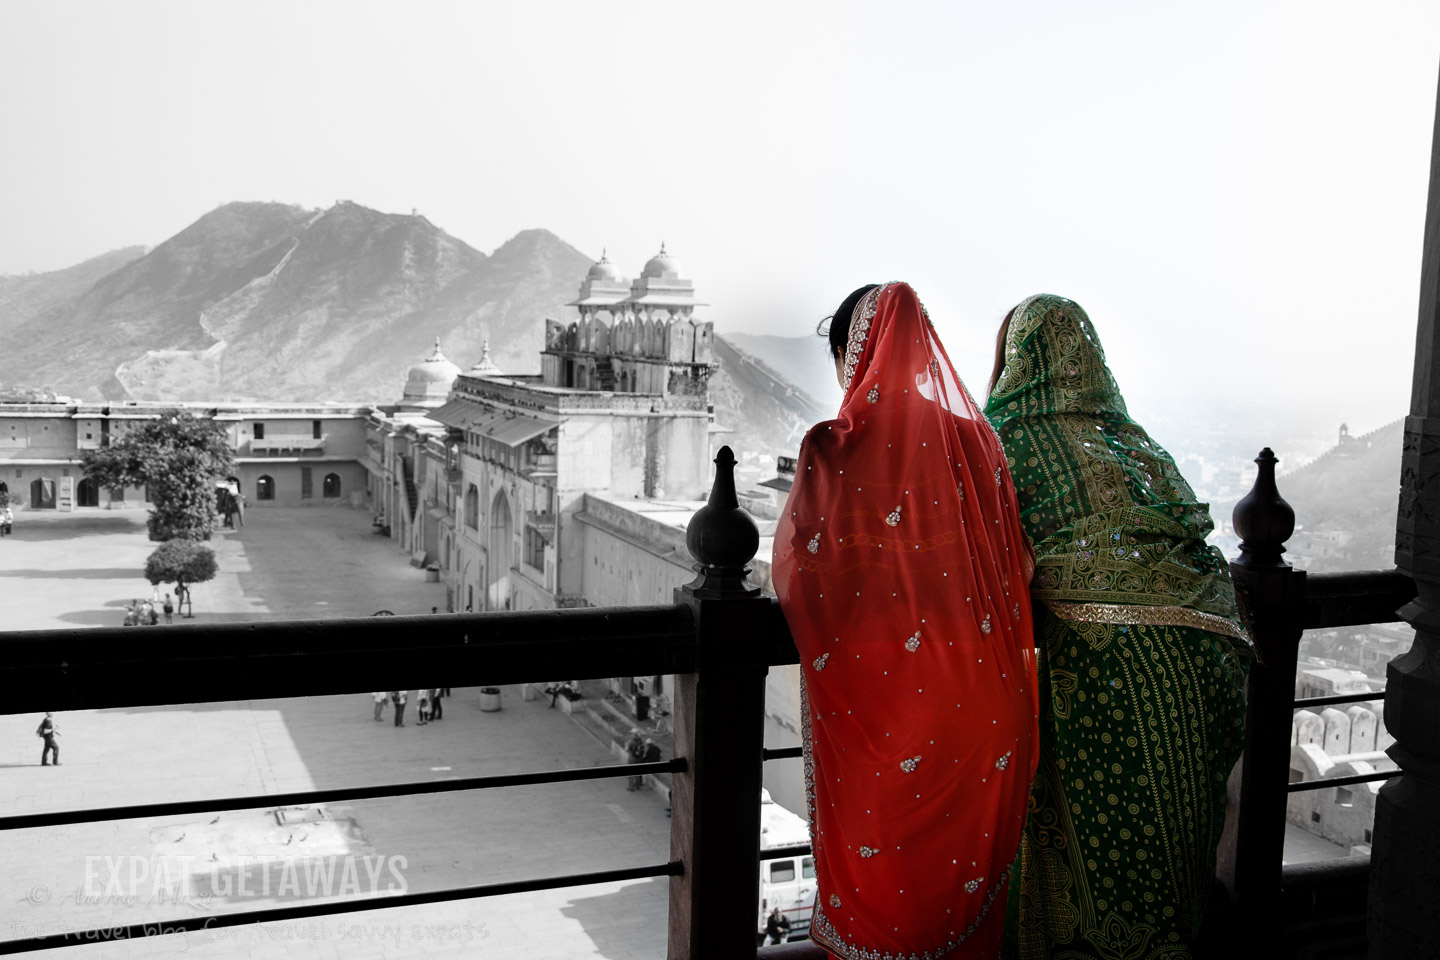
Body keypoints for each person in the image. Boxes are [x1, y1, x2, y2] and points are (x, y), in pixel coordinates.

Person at [772, 282, 1038, 958]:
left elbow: (802, 576)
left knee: (886, 909)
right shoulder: (978, 442)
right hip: (983, 712)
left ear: (849, 356)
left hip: (885, 721)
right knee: (965, 920)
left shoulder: (834, 447)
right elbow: (1020, 568)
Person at [983, 295, 1251, 959]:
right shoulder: (1136, 446)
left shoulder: (1002, 442)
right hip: (1210, 663)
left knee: (1096, 863)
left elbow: (988, 568)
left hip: (1106, 671)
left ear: (1013, 359)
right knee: (1168, 865)